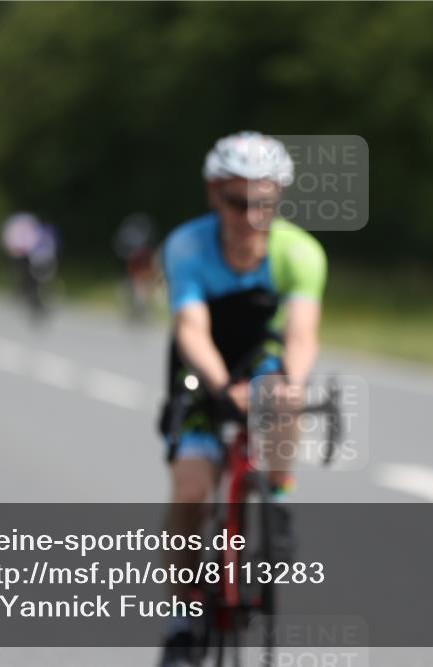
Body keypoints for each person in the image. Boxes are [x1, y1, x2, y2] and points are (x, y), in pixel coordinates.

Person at [157, 132, 327, 666]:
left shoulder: (299, 252)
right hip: (201, 365)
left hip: (261, 358)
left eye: (264, 203)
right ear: (213, 194)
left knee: (286, 391)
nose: (250, 215)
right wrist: (217, 386)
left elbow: (301, 334)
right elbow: (190, 327)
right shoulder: (187, 245)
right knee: (189, 490)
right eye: (236, 201)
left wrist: (290, 385)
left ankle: (277, 498)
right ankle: (184, 616)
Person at [0, 212, 59, 321]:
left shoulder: (37, 230)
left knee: (34, 279)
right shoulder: (34, 229)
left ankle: (36, 297)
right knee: (26, 277)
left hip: (32, 258)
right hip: (28, 256)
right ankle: (25, 294)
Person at [113, 212, 157, 320]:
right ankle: (137, 311)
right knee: (136, 290)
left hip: (140, 272)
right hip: (136, 272)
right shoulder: (138, 248)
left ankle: (141, 312)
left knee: (140, 290)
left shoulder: (139, 249)